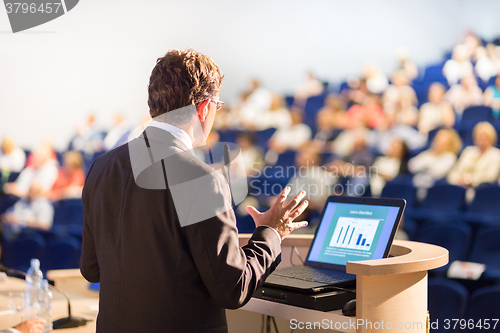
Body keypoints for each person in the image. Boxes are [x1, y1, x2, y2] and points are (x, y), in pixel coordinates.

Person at [80, 49, 309, 333]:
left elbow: (91, 269)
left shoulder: (102, 167)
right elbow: (231, 289)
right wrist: (271, 233)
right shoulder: (201, 179)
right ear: (204, 108)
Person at [447, 122, 500, 188]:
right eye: (479, 136)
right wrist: (458, 179)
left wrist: (470, 180)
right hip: (460, 186)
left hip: (480, 189)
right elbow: (454, 172)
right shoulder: (468, 151)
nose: (482, 139)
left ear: (491, 137)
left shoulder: (496, 154)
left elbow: (490, 177)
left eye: (485, 136)